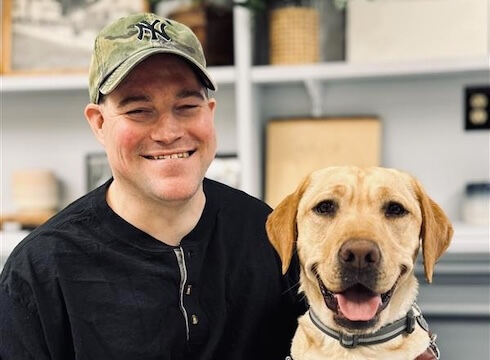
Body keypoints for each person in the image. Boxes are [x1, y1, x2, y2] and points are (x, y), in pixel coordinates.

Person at [0, 13, 305, 360]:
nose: (168, 132)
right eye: (139, 110)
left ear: (210, 112)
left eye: (187, 106)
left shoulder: (267, 234)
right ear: (99, 124)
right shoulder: (41, 270)